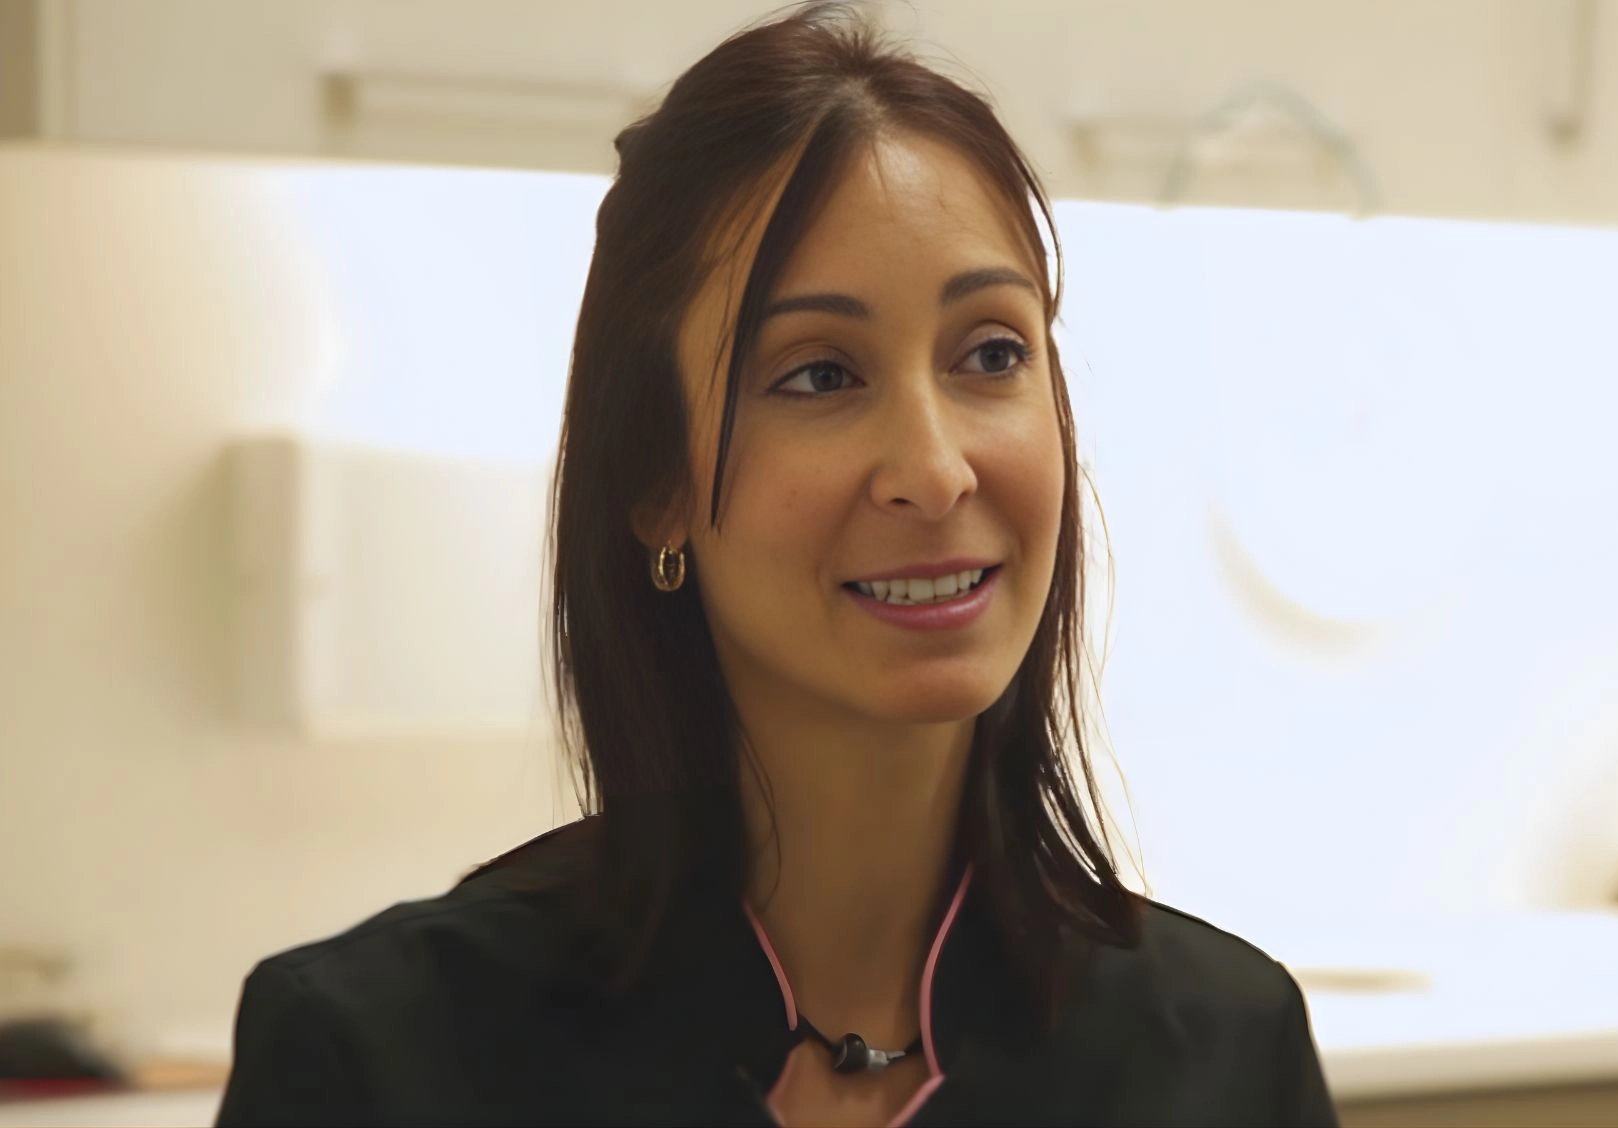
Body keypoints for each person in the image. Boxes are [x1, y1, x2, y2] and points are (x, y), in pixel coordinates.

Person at [214, 4, 1335, 1125]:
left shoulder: (1226, 1053)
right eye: (819, 375)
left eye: (992, 353)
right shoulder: (377, 1062)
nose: (934, 471)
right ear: (656, 480)